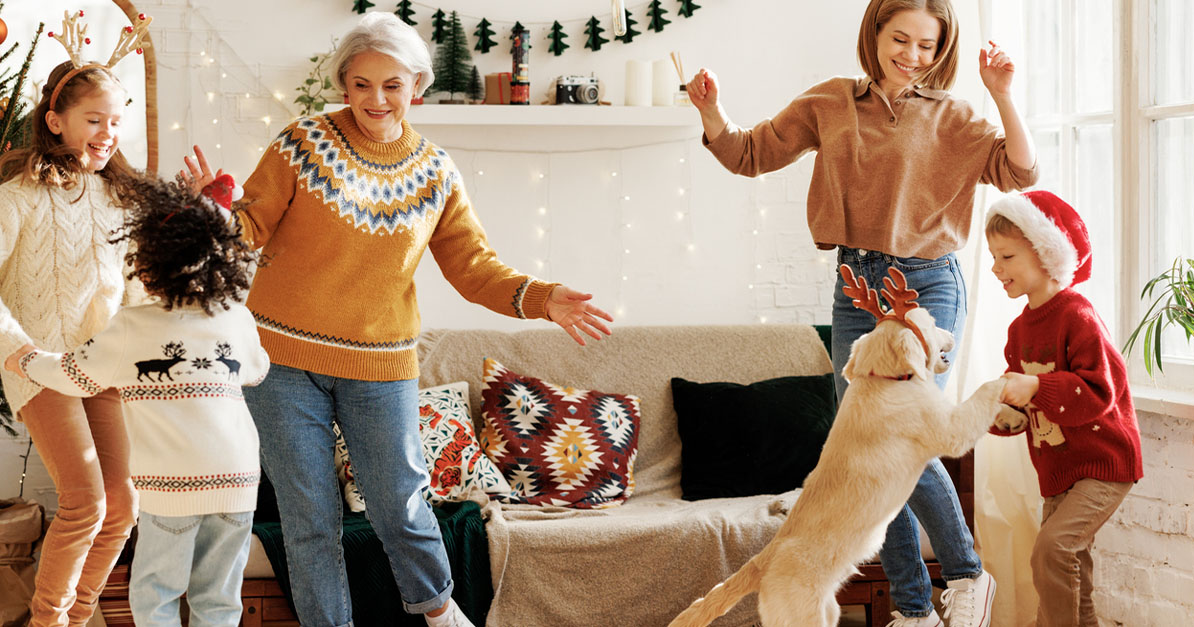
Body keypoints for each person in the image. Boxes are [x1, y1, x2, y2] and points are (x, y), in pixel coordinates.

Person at [177, 12, 613, 627]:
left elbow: (473, 267)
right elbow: (246, 228)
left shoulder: (435, 173)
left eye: (391, 84)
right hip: (280, 362)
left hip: (379, 365)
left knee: (401, 505)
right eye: (360, 84)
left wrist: (543, 297)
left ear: (417, 86)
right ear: (344, 83)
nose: (375, 99)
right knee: (308, 520)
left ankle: (439, 613)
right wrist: (210, 209)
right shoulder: (301, 144)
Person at [686, 0, 1038, 624]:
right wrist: (711, 110)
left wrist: (1003, 94)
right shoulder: (830, 104)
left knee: (906, 438)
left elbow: (1019, 170)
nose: (912, 56)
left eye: (928, 47)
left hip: (928, 282)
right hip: (857, 284)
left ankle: (964, 574)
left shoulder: (953, 117)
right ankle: (912, 609)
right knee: (866, 455)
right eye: (901, 39)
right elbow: (749, 154)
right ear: (874, 35)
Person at [12, 173, 269, 626]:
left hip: (173, 487)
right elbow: (257, 370)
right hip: (238, 483)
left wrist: (27, 360)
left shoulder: (132, 326)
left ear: (147, 267)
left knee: (156, 593)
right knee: (220, 597)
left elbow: (74, 376)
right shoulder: (237, 318)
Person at [0, 11, 152, 625]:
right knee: (86, 502)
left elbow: (140, 288)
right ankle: (49, 619)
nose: (107, 133)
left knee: (122, 508)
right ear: (56, 121)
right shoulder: (18, 195)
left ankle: (79, 612)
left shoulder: (121, 198)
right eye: (94, 120)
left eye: (116, 122)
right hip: (38, 364)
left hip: (102, 365)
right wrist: (17, 349)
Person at [985, 190, 1142, 627]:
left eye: (1007, 256)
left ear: (1045, 254)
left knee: (1052, 550)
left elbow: (1099, 393)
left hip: (1104, 462)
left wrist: (1034, 384)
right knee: (1072, 567)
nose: (996, 268)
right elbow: (1024, 410)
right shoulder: (1019, 330)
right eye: (994, 256)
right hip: (1059, 468)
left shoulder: (1079, 315)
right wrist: (995, 410)